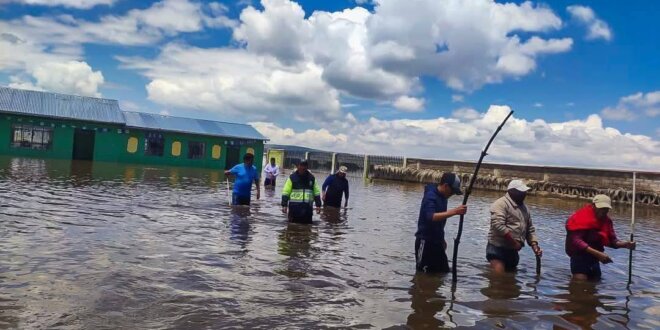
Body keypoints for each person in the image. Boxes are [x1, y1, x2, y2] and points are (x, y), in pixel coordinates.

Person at [565, 194, 636, 281]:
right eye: (601, 208)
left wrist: (625, 244)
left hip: (594, 258)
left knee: (596, 281)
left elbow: (612, 240)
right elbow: (576, 241)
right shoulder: (579, 218)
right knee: (580, 282)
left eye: (606, 209)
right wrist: (598, 254)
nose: (604, 211)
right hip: (579, 256)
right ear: (593, 206)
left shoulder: (607, 221)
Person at [415, 172, 467, 273]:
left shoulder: (444, 198)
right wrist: (455, 211)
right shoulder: (430, 196)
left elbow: (439, 222)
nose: (452, 194)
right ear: (446, 186)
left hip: (437, 241)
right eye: (452, 191)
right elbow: (431, 217)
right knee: (422, 274)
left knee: (443, 272)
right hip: (425, 241)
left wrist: (441, 239)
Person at [486, 179, 543, 273]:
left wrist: (535, 246)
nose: (524, 194)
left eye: (525, 192)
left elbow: (530, 229)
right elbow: (498, 225)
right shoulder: (500, 204)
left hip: (513, 251)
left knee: (511, 280)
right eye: (521, 192)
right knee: (498, 279)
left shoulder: (525, 208)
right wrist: (513, 243)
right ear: (511, 191)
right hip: (497, 248)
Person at [281, 160, 322, 224]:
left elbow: (316, 192)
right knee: (292, 229)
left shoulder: (311, 178)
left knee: (307, 230)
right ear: (298, 166)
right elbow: (286, 192)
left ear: (307, 167)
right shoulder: (292, 178)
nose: (303, 168)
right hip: (294, 210)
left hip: (307, 210)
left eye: (304, 166)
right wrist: (284, 205)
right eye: (301, 165)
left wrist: (318, 205)